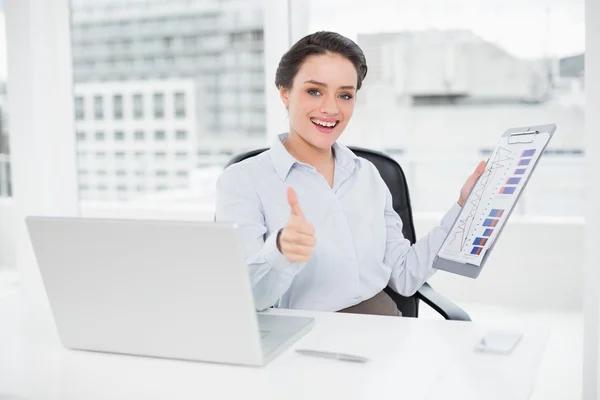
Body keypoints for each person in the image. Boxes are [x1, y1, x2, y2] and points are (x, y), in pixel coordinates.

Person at [215, 31, 485, 316]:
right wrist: (280, 251)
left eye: (344, 95)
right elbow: (248, 299)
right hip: (298, 335)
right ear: (285, 92)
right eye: (314, 91)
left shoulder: (367, 175)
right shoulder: (242, 181)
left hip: (379, 324)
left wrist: (464, 210)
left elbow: (405, 275)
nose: (331, 109)